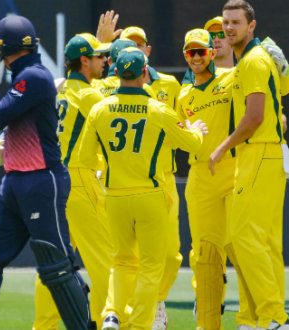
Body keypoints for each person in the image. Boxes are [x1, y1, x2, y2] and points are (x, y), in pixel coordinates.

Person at [0, 15, 89, 330]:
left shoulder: (34, 77)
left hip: (42, 182)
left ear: (7, 48)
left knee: (56, 267)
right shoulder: (24, 77)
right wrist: (1, 154)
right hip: (14, 181)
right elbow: (21, 130)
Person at [78, 47, 207, 330]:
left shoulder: (99, 109)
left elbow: (86, 159)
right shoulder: (157, 109)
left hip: (115, 196)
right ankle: (138, 325)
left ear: (116, 73)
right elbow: (191, 145)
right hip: (150, 196)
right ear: (144, 73)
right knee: (150, 266)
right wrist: (197, 129)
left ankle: (111, 313)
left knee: (122, 262)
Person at [209, 1, 289, 329]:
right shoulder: (254, 59)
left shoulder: (254, 61)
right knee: (267, 242)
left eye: (235, 23)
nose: (229, 28)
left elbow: (255, 117)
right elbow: (279, 95)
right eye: (225, 23)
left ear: (251, 26)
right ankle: (270, 317)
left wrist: (221, 148)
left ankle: (274, 316)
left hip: (258, 153)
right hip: (268, 155)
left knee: (243, 237)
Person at [31, 32, 115, 330]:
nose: (105, 61)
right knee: (105, 261)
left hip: (51, 182)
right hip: (79, 181)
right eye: (100, 56)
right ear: (84, 61)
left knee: (54, 265)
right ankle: (103, 322)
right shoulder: (90, 95)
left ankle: (43, 326)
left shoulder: (57, 91)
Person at [120, 25, 183, 330]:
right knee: (127, 258)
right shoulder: (108, 88)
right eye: (126, 45)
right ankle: (132, 314)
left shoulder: (170, 85)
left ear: (147, 51)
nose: (132, 49)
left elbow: (186, 121)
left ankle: (156, 300)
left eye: (138, 44)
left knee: (170, 255)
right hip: (120, 182)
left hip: (162, 178)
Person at [177, 28, 237, 330]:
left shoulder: (230, 79)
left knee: (240, 247)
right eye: (191, 52)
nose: (196, 57)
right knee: (204, 254)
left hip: (231, 169)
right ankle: (208, 325)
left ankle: (255, 320)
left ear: (212, 52)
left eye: (201, 51)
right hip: (199, 175)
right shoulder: (183, 94)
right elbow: (178, 138)